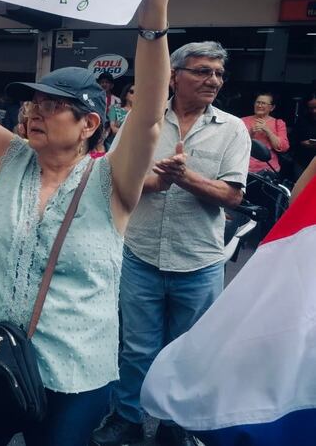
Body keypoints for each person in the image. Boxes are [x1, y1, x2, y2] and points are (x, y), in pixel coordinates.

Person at [0, 0, 189, 446]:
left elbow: (149, 117)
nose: (35, 113)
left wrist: (155, 7)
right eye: (33, 104)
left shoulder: (111, 179)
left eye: (53, 106)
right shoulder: (9, 160)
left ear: (90, 123)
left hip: (74, 374)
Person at [94, 41, 251, 446]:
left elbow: (233, 196)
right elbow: (111, 176)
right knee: (135, 348)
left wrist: (184, 177)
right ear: (174, 75)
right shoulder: (140, 122)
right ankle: (127, 418)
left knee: (189, 352)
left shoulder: (232, 129)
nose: (212, 80)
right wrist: (157, 181)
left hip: (199, 261)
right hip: (140, 254)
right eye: (201, 71)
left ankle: (174, 425)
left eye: (217, 73)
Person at [240, 93, 289, 174]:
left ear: (272, 107)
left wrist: (267, 130)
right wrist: (251, 133)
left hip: (268, 169)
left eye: (263, 103)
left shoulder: (278, 123)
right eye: (258, 102)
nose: (259, 105)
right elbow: (235, 145)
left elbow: (283, 147)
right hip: (245, 168)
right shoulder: (242, 121)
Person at [292, 92, 316, 176]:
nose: (314, 111)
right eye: (311, 108)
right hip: (302, 161)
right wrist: (301, 143)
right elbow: (294, 139)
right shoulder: (302, 120)